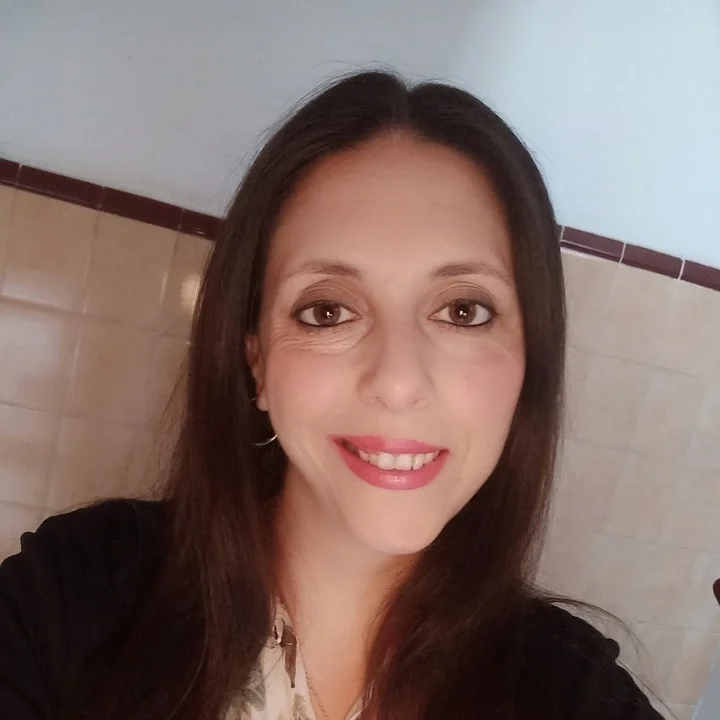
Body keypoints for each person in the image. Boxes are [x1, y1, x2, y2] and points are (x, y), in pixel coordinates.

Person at [0, 70, 663, 720]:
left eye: (463, 311)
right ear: (257, 363)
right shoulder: (72, 594)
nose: (398, 381)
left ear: (530, 358)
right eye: (327, 312)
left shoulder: (575, 693)